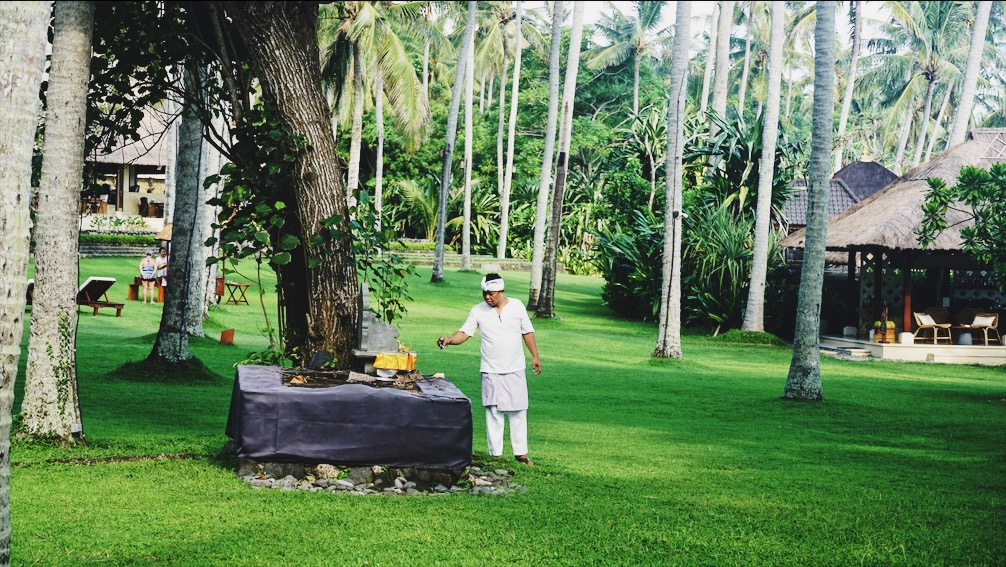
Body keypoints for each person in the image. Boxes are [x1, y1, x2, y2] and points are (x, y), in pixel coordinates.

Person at [437, 273, 542, 466]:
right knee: (493, 411)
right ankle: (495, 454)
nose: (487, 297)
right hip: (490, 369)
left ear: (502, 291)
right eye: (484, 293)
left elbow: (527, 331)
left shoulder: (517, 306)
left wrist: (535, 356)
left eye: (491, 293)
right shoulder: (478, 311)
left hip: (515, 368)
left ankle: (521, 454)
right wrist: (449, 340)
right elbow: (464, 332)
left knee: (518, 411)